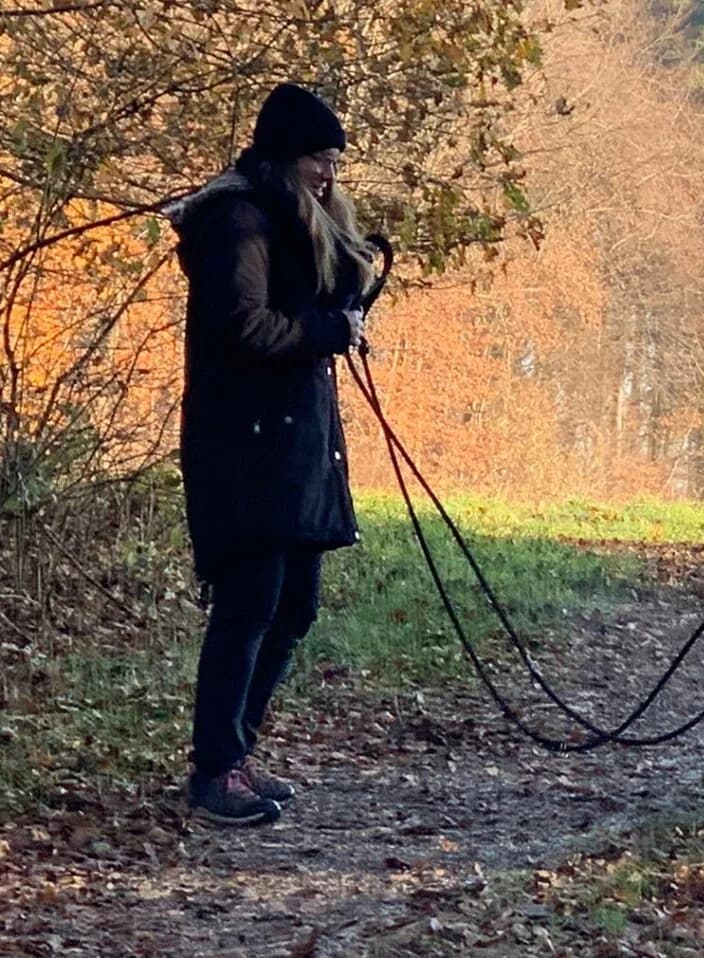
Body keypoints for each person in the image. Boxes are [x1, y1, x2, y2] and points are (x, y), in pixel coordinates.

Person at [168, 83, 377, 824]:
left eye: (333, 161)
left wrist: (345, 312)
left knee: (293, 607)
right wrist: (328, 332)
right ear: (286, 157)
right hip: (246, 448)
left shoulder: (285, 217)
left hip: (295, 445)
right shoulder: (237, 219)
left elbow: (295, 311)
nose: (329, 175)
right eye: (319, 159)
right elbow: (244, 328)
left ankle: (235, 754)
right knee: (249, 605)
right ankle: (215, 769)